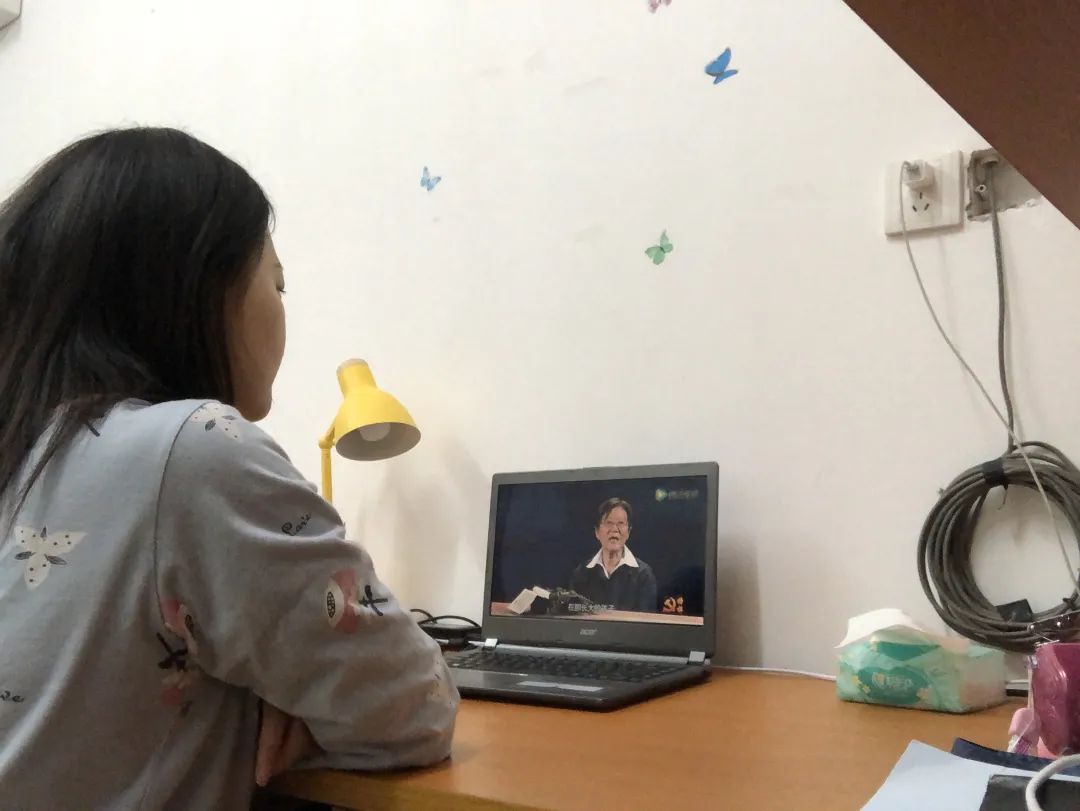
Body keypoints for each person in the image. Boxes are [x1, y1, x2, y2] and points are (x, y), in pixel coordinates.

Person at [0, 128, 458, 809]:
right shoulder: (191, 451)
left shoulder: (26, 449)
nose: (281, 308)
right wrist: (290, 706)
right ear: (196, 289)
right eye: (277, 281)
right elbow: (411, 707)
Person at [569, 498, 658, 612]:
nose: (614, 529)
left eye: (621, 523)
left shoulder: (643, 575)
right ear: (597, 532)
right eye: (608, 523)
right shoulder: (581, 574)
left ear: (629, 532)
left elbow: (646, 620)